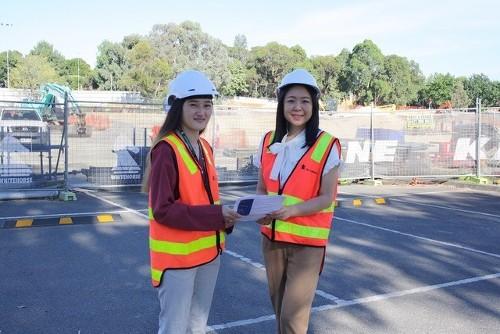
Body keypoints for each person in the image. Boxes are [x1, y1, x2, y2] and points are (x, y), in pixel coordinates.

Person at [142, 70, 241, 334]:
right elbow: (162, 210)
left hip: (208, 254)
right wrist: (216, 216)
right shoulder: (166, 149)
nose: (202, 111)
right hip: (177, 261)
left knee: (196, 327)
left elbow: (205, 198)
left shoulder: (205, 147)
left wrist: (225, 219)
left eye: (207, 105)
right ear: (177, 107)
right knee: (174, 328)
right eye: (194, 104)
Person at [254, 69, 342, 334]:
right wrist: (257, 210)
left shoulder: (327, 145)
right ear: (281, 103)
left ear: (314, 105)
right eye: (291, 100)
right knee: (280, 311)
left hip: (307, 245)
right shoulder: (269, 141)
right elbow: (261, 188)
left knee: (293, 317)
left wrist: (292, 210)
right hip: (272, 239)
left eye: (305, 101)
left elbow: (327, 197)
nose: (298, 107)